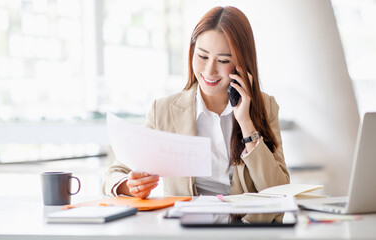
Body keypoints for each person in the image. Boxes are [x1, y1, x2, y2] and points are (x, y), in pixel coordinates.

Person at [102, 6, 290, 200]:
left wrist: (246, 123)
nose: (209, 71)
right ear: (192, 52)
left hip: (246, 227)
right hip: (186, 227)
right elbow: (113, 173)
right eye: (202, 56)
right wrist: (131, 186)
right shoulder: (165, 110)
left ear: (243, 63)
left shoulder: (265, 106)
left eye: (223, 61)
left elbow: (279, 189)